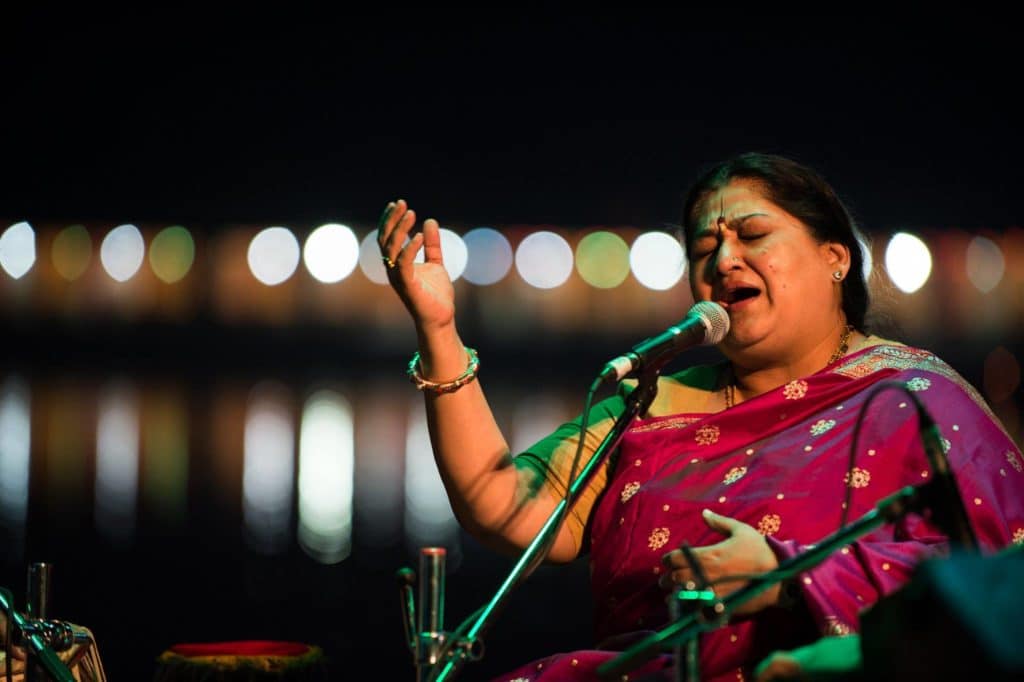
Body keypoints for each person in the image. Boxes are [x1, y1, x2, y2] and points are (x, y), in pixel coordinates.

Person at [376, 152, 1024, 681]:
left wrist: (790, 576)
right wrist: (439, 330)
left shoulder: (912, 397)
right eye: (704, 247)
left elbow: (1000, 586)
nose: (723, 261)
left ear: (835, 258)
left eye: (753, 235)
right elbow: (501, 503)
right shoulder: (652, 401)